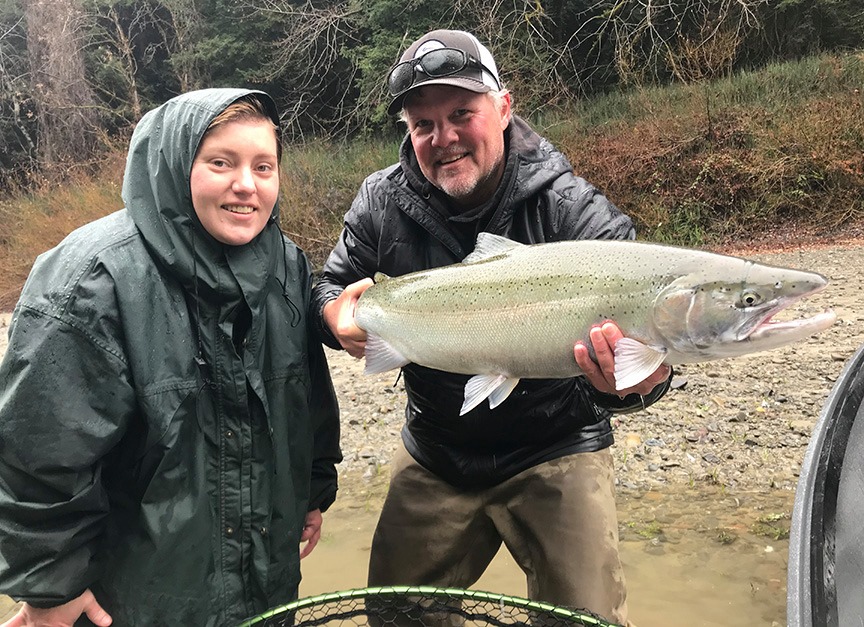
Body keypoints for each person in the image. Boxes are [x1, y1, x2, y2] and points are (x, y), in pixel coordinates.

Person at [312, 30, 672, 624]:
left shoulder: (572, 210)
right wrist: (335, 316)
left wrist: (635, 385)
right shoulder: (380, 200)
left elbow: (652, 359)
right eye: (422, 124)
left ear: (504, 107)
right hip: (436, 448)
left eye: (461, 114)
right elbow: (327, 288)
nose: (443, 138)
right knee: (397, 615)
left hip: (555, 445)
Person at [0, 88, 341, 626]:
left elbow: (307, 397)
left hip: (267, 582)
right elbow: (37, 458)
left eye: (264, 166)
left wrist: (314, 489)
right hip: (138, 598)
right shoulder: (92, 278)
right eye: (221, 163)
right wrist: (51, 587)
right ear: (176, 164)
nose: (246, 185)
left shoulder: (286, 265)